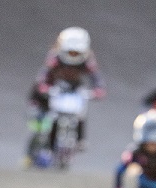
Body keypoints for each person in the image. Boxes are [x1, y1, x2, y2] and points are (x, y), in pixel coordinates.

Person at [25, 27, 106, 162]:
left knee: (80, 113)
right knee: (44, 119)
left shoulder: (88, 60)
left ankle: (80, 139)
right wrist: (45, 89)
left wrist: (98, 91)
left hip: (74, 90)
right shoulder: (55, 58)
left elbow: (97, 78)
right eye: (70, 52)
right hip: (52, 90)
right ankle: (38, 147)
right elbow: (43, 76)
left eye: (76, 53)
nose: (73, 56)